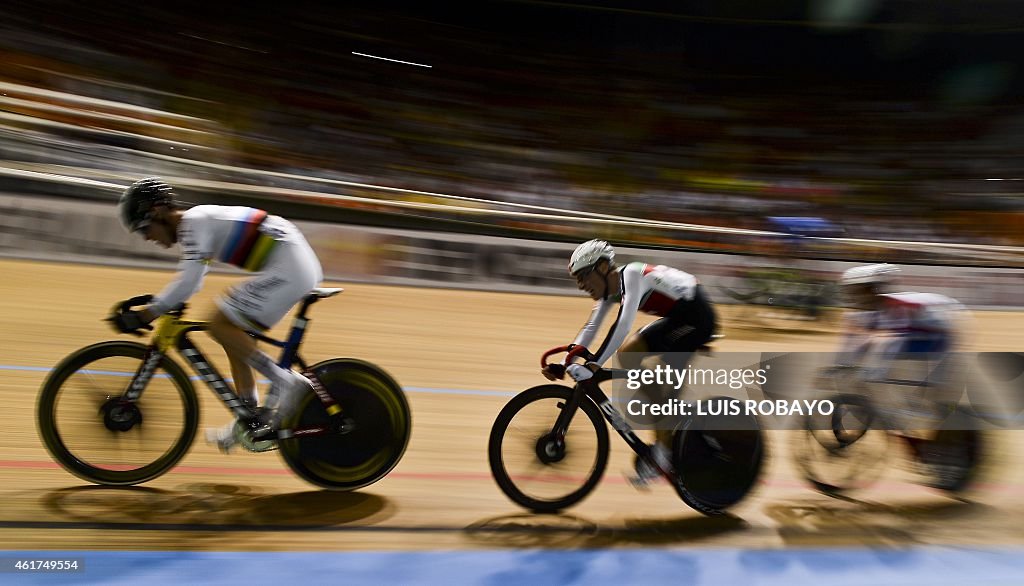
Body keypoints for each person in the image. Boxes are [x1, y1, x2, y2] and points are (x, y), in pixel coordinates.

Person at [111, 177, 323, 452]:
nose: (147, 238)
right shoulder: (194, 225)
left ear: (158, 212)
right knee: (231, 333)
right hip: (289, 261)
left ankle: (287, 383)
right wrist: (158, 304)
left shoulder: (193, 224)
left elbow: (189, 283)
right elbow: (188, 281)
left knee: (218, 323)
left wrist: (146, 315)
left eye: (144, 229)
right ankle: (249, 419)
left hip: (290, 266)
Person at [542, 239, 717, 488]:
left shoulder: (632, 274)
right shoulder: (609, 292)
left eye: (583, 276)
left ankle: (663, 457)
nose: (581, 285)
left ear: (603, 268)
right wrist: (565, 361)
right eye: (577, 280)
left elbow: (622, 325)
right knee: (628, 355)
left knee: (662, 386)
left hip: (697, 316)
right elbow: (592, 327)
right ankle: (664, 410)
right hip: (679, 316)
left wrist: (593, 365)